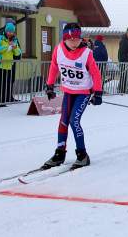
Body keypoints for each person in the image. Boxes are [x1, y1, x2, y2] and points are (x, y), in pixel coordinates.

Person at [43, 23, 102, 170]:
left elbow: (95, 73)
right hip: (68, 91)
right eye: (71, 40)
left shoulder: (86, 53)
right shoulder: (58, 49)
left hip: (83, 93)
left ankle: (82, 155)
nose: (74, 42)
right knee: (63, 121)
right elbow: (54, 66)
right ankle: (60, 153)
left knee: (73, 121)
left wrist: (98, 92)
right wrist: (49, 86)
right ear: (65, 39)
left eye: (77, 39)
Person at [0, 22, 21, 107]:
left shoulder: (14, 40)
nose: (10, 33)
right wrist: (7, 48)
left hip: (8, 65)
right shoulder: (0, 38)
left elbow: (18, 53)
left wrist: (15, 48)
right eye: (8, 31)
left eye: (12, 32)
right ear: (5, 31)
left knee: (6, 84)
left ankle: (3, 101)